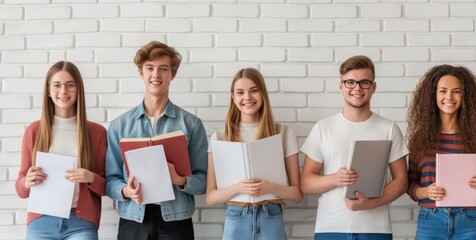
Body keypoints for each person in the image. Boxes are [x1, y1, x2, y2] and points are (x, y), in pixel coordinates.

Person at [105, 41, 208, 240]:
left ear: (172, 74)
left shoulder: (191, 124)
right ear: (140, 73)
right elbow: (110, 180)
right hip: (133, 219)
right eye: (150, 68)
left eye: (163, 69)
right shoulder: (120, 126)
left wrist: (179, 179)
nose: (156, 75)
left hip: (176, 221)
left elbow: (203, 180)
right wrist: (126, 191)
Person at [300, 55, 409, 240]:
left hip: (376, 229)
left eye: (364, 82)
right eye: (350, 82)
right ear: (341, 86)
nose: (357, 88)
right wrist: (336, 179)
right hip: (330, 227)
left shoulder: (389, 128)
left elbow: (402, 181)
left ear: (373, 87)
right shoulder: (323, 128)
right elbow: (306, 183)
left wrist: (371, 204)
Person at [406, 64, 476, 240]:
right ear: (433, 96)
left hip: (470, 220)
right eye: (443, 91)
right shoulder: (420, 139)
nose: (449, 97)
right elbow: (410, 184)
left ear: (465, 97)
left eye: (456, 91)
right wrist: (426, 192)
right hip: (430, 220)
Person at [204, 68, 302, 240]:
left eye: (254, 90)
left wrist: (269, 187)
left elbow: (297, 194)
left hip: (271, 216)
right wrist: (238, 188)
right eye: (240, 92)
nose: (247, 97)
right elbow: (211, 198)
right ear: (233, 97)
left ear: (263, 94)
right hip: (236, 217)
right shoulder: (220, 137)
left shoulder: (284, 133)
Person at [15, 61, 107, 239]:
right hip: (41, 221)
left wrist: (90, 178)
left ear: (78, 89)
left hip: (80, 223)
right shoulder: (34, 131)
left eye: (70, 85)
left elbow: (107, 187)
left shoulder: (97, 133)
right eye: (57, 85)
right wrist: (27, 182)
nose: (63, 91)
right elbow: (20, 189)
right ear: (48, 91)